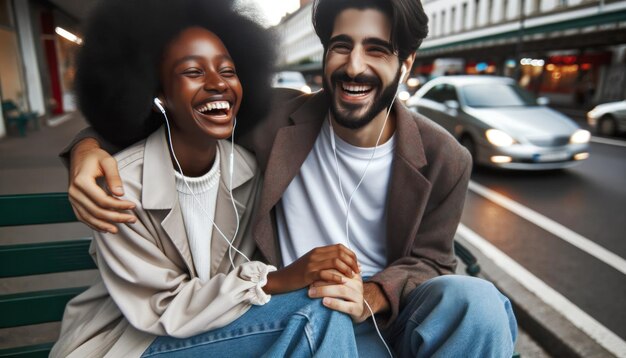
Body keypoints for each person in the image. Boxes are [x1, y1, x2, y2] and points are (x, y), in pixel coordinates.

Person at [64, 0, 518, 356]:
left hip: (385, 316)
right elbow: (162, 118)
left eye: (376, 49)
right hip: (294, 315)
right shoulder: (272, 116)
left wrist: (374, 294)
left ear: (406, 63)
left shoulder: (445, 157)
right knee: (318, 315)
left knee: (479, 304)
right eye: (342, 45)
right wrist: (88, 149)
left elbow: (433, 263)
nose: (354, 66)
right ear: (326, 52)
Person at [51, 0, 361, 357]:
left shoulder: (245, 169)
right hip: (130, 343)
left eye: (228, 71)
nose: (217, 84)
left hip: (217, 328)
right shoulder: (121, 186)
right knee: (316, 318)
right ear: (159, 93)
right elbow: (162, 307)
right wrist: (277, 279)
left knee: (325, 309)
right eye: (193, 72)